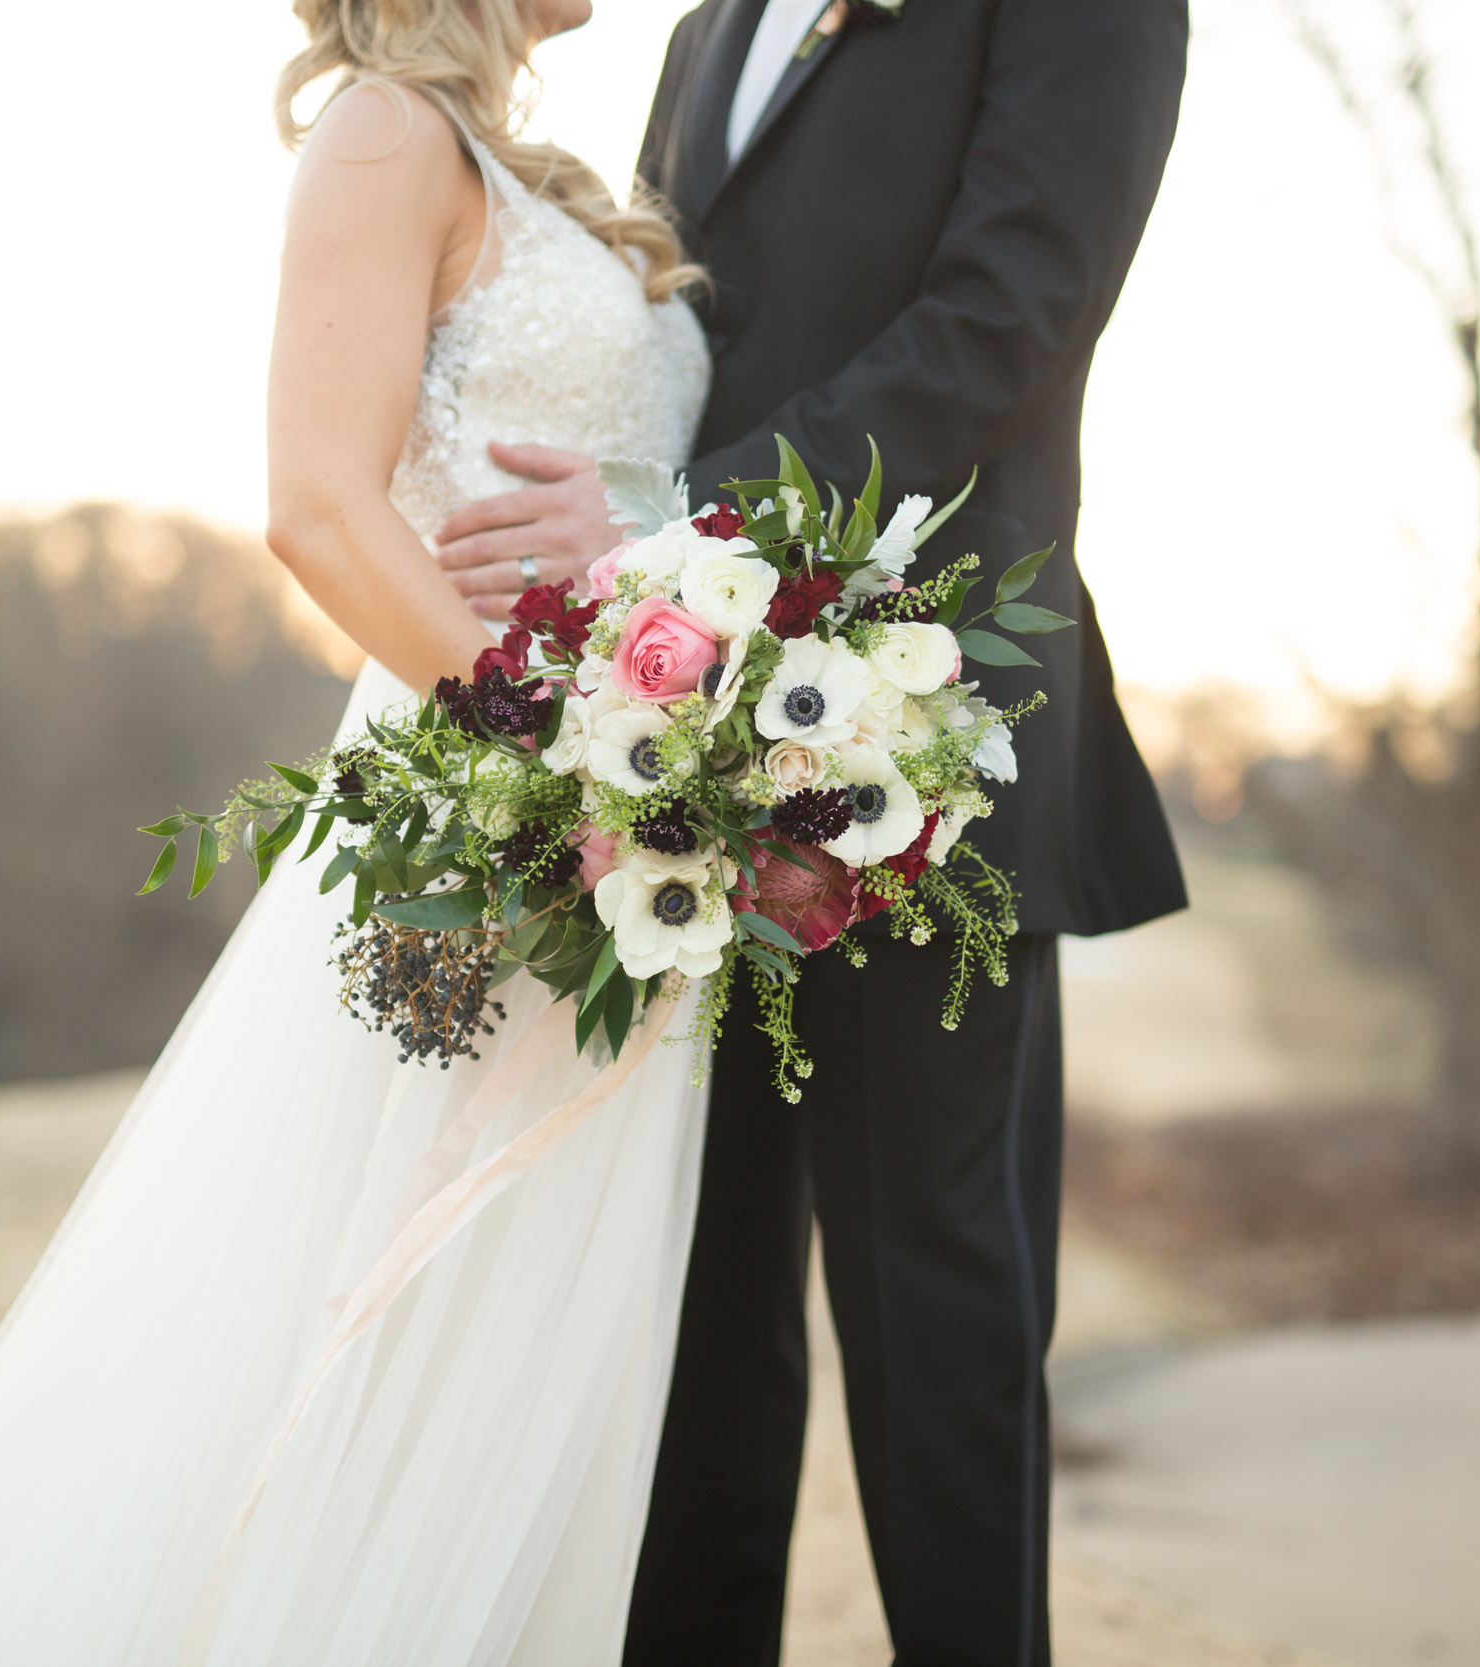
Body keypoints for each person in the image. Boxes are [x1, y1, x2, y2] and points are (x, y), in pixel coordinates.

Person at [0, 1, 719, 1661]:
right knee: (375, 1276)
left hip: (630, 806)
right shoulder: (383, 131)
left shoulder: (546, 175)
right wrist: (551, 755)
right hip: (486, 796)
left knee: (520, 1325)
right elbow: (318, 506)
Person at [431, 1, 1192, 1660]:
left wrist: (675, 523)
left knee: (938, 1334)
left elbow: (1009, 318)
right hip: (672, 763)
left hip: (930, 731)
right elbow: (679, 331)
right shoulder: (711, 27)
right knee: (692, 1332)